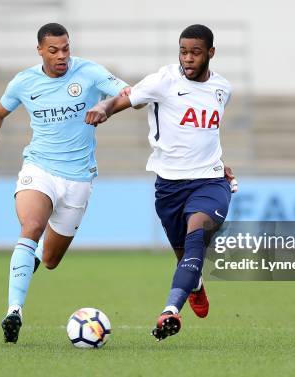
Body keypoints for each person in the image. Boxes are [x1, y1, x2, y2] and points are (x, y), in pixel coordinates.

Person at [0, 22, 130, 344]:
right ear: (40, 51)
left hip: (78, 179)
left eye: (66, 49)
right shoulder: (24, 81)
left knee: (49, 260)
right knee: (31, 226)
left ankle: (27, 261)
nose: (61, 56)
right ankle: (13, 310)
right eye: (53, 50)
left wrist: (107, 106)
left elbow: (132, 96)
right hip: (39, 168)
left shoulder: (89, 73)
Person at [85, 24, 237, 341]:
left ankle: (170, 310)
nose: (188, 58)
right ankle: (193, 282)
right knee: (185, 257)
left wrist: (221, 163)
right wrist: (104, 107)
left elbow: (207, 135)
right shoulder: (163, 81)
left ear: (211, 53)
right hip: (169, 188)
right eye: (183, 51)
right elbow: (123, 100)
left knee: (197, 239)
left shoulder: (223, 89)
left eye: (195, 52)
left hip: (210, 183)